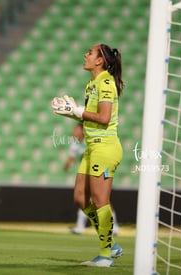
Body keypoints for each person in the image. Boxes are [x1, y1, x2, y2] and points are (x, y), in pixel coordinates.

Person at [51, 43, 124, 267]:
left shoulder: (106, 83)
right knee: (80, 198)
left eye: (90, 53)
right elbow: (88, 118)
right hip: (92, 148)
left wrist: (79, 111)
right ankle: (110, 243)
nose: (85, 54)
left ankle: (105, 256)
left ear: (100, 60)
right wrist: (72, 113)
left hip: (105, 147)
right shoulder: (91, 84)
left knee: (101, 200)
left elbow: (103, 117)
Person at [64, 124, 120, 236]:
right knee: (85, 197)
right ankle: (80, 226)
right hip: (89, 172)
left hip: (103, 169)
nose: (73, 132)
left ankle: (114, 227)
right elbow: (70, 159)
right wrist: (67, 166)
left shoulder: (92, 139)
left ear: (83, 131)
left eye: (76, 130)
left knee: (103, 198)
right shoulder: (75, 144)